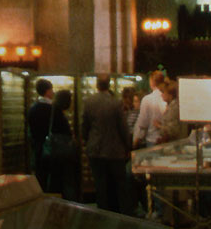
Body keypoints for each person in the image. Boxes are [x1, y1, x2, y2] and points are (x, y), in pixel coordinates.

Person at [80, 76, 131, 214]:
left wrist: (87, 140)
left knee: (100, 184)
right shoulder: (115, 103)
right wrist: (128, 146)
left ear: (97, 85)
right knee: (119, 183)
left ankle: (103, 213)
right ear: (109, 85)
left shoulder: (89, 102)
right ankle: (123, 212)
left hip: (95, 149)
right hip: (115, 150)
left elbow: (84, 126)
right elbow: (123, 128)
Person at [48, 89, 80, 200]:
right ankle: (71, 204)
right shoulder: (58, 114)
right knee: (68, 180)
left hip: (55, 153)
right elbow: (65, 132)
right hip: (64, 153)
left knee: (57, 180)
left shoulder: (53, 111)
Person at [26, 78, 55, 190]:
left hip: (38, 147)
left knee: (40, 175)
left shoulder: (33, 108)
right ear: (47, 91)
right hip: (51, 148)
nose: (53, 92)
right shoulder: (52, 109)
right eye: (51, 89)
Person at [132, 69, 169, 147]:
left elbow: (143, 123)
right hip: (167, 139)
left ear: (152, 82)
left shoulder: (147, 99)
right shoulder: (168, 98)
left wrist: (136, 140)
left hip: (152, 139)